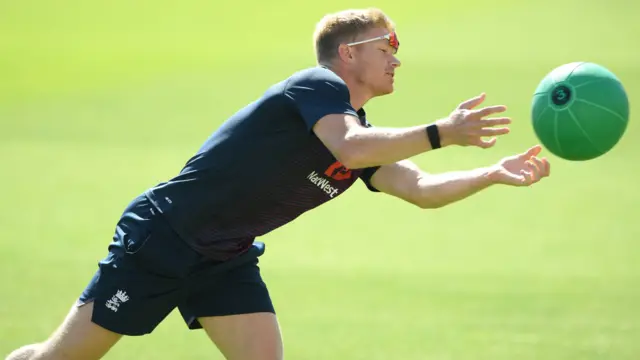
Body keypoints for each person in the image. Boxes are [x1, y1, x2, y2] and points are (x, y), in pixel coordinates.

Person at [5, 7, 551, 360]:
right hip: (166, 239)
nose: (397, 58)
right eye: (387, 45)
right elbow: (351, 148)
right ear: (349, 54)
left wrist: (491, 174)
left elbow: (420, 189)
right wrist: (442, 132)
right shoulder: (314, 86)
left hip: (225, 257)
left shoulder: (361, 131)